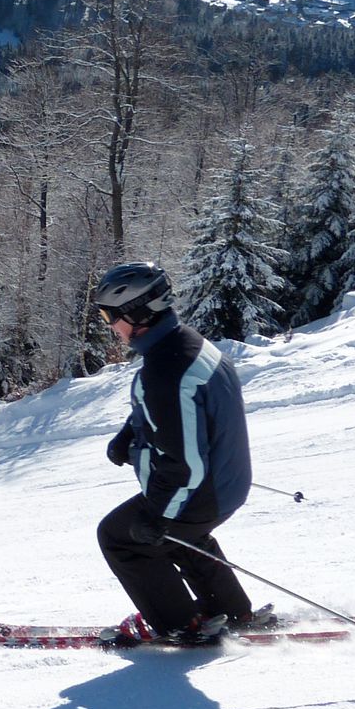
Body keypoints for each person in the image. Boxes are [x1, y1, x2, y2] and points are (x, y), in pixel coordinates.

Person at [92, 260, 254, 647]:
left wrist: (157, 516)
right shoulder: (185, 344)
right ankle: (233, 611)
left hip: (205, 488)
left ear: (137, 313)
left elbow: (184, 467)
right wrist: (129, 434)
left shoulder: (165, 372)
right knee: (185, 534)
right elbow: (179, 416)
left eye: (110, 316)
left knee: (122, 537)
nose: (109, 326)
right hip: (227, 480)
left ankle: (180, 623)